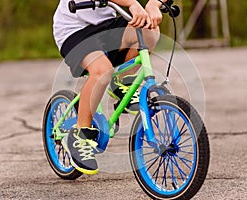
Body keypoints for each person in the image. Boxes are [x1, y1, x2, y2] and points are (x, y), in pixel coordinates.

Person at [53, 0, 165, 175]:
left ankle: (121, 83)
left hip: (106, 26)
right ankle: (80, 134)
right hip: (73, 30)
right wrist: (132, 3)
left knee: (149, 31)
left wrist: (153, 4)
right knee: (102, 71)